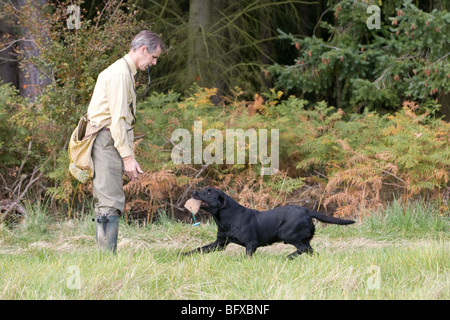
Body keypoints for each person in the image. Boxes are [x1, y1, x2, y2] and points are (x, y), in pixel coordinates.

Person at [87, 30, 165, 252]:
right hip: (105, 139)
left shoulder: (125, 73)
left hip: (110, 140)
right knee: (108, 202)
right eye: (153, 57)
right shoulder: (120, 75)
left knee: (110, 199)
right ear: (142, 50)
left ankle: (106, 255)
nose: (154, 62)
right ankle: (105, 259)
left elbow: (125, 120)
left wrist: (128, 155)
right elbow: (117, 121)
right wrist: (127, 158)